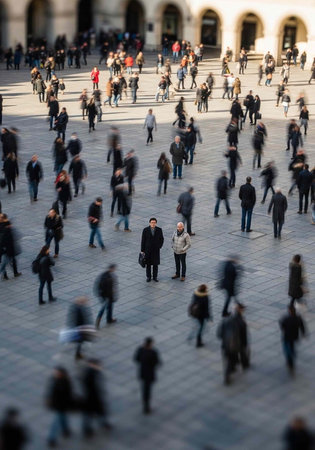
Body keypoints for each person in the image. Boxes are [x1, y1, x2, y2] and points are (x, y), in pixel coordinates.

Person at [217, 303, 249, 385]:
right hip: (236, 345)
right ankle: (227, 375)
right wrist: (244, 345)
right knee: (231, 359)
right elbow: (244, 337)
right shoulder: (242, 322)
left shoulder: (226, 320)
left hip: (225, 345)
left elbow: (219, 333)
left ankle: (233, 367)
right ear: (241, 311)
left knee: (229, 358)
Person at [81, 358, 112, 437]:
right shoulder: (89, 374)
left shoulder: (93, 372)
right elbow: (89, 386)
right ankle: (87, 429)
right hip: (90, 399)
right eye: (97, 365)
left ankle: (103, 424)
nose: (99, 366)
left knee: (97, 413)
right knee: (89, 415)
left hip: (94, 398)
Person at [46, 367, 72, 447]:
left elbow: (68, 393)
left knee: (61, 418)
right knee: (59, 419)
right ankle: (54, 436)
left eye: (57, 373)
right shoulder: (56, 381)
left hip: (62, 404)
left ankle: (63, 432)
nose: (55, 374)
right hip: (59, 405)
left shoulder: (64, 382)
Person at [134, 337, 161, 414]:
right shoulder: (153, 352)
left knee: (144, 388)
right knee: (147, 389)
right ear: (151, 344)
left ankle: (145, 403)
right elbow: (157, 363)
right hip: (149, 373)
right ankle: (146, 406)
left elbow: (136, 359)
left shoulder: (140, 349)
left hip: (142, 372)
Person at [279, 305, 305, 374]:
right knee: (292, 346)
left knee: (286, 348)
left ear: (289, 311)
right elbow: (302, 326)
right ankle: (292, 357)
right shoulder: (298, 318)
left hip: (287, 336)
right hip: (294, 336)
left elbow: (282, 325)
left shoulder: (287, 319)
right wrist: (303, 333)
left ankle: (290, 359)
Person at [140, 218, 164, 282]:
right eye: (152, 222)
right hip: (147, 250)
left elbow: (161, 239)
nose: (153, 223)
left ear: (156, 223)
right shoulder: (145, 230)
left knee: (155, 264)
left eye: (154, 222)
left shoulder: (159, 230)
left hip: (156, 250)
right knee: (148, 264)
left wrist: (159, 246)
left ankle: (155, 277)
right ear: (149, 223)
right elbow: (143, 240)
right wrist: (142, 250)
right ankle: (148, 277)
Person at [0, 214, 22, 280]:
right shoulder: (5, 228)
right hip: (5, 248)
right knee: (5, 262)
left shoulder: (6, 226)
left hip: (7, 247)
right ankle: (7, 274)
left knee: (9, 260)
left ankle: (8, 274)